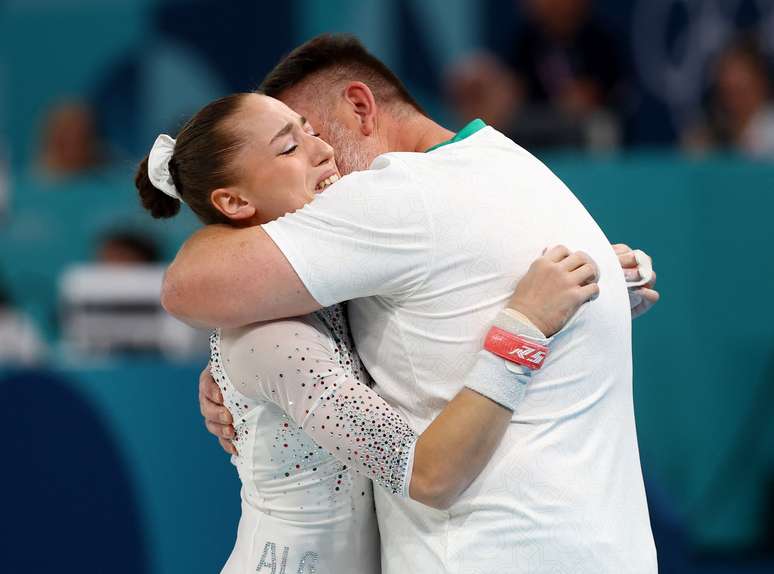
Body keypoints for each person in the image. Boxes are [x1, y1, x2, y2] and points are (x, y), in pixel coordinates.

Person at [164, 35, 659, 573]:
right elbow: (193, 293)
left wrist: (558, 308)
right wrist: (239, 377)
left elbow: (194, 290)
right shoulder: (509, 163)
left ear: (359, 107)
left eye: (313, 131)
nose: (323, 153)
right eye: (290, 146)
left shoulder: (392, 199)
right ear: (234, 201)